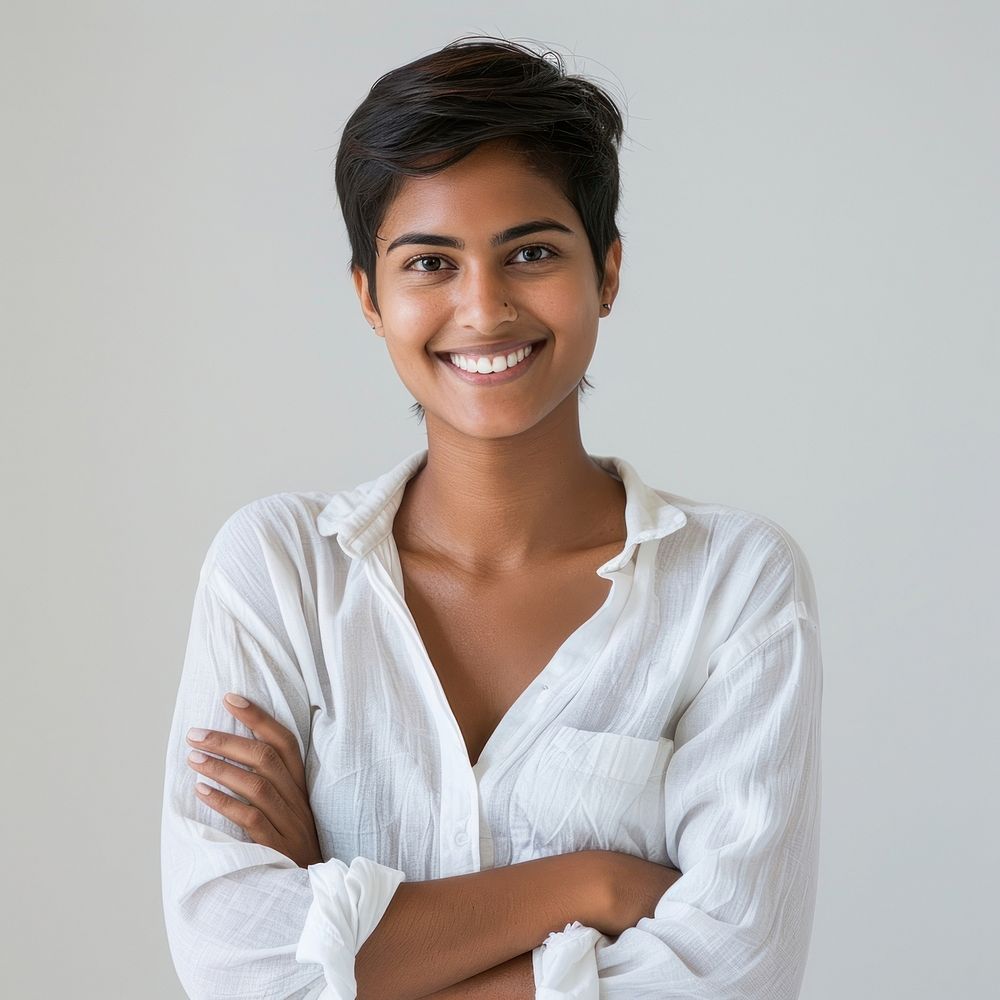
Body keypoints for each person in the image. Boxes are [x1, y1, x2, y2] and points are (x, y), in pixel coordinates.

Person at [160, 35, 823, 1000]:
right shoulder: (278, 571)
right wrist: (591, 883)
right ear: (369, 298)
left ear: (608, 271)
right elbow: (229, 964)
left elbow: (733, 977)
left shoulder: (734, 585)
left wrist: (350, 929)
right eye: (430, 262)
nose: (483, 306)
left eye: (533, 252)